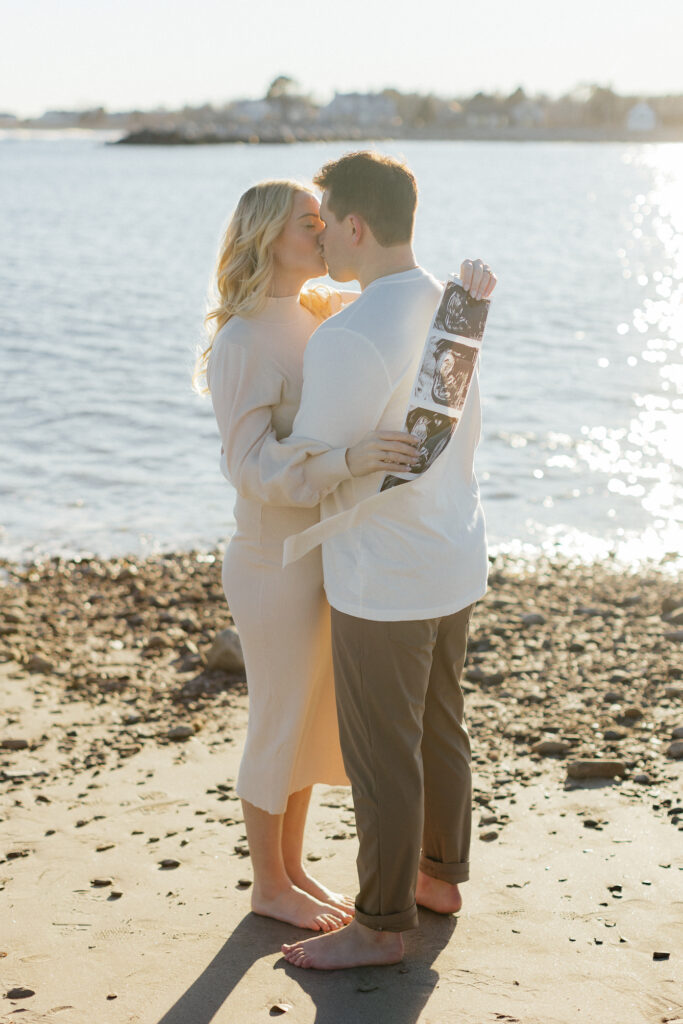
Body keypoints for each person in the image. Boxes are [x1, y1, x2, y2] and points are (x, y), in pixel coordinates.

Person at [222, 151, 496, 971]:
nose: (319, 234)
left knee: (383, 753)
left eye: (323, 219)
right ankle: (437, 878)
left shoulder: (345, 333)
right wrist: (474, 290)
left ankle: (380, 927)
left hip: (386, 571)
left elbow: (320, 458)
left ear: (352, 225)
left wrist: (343, 461)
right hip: (451, 551)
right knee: (440, 728)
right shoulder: (449, 305)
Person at [194, 180, 420, 933]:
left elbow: (389, 321)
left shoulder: (317, 314)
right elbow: (250, 467)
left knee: (309, 720)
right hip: (270, 560)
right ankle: (267, 885)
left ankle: (291, 868)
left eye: (325, 222)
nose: (323, 234)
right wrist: (348, 460)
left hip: (321, 551)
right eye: (307, 224)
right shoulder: (241, 339)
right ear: (266, 237)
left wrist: (456, 309)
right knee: (277, 720)